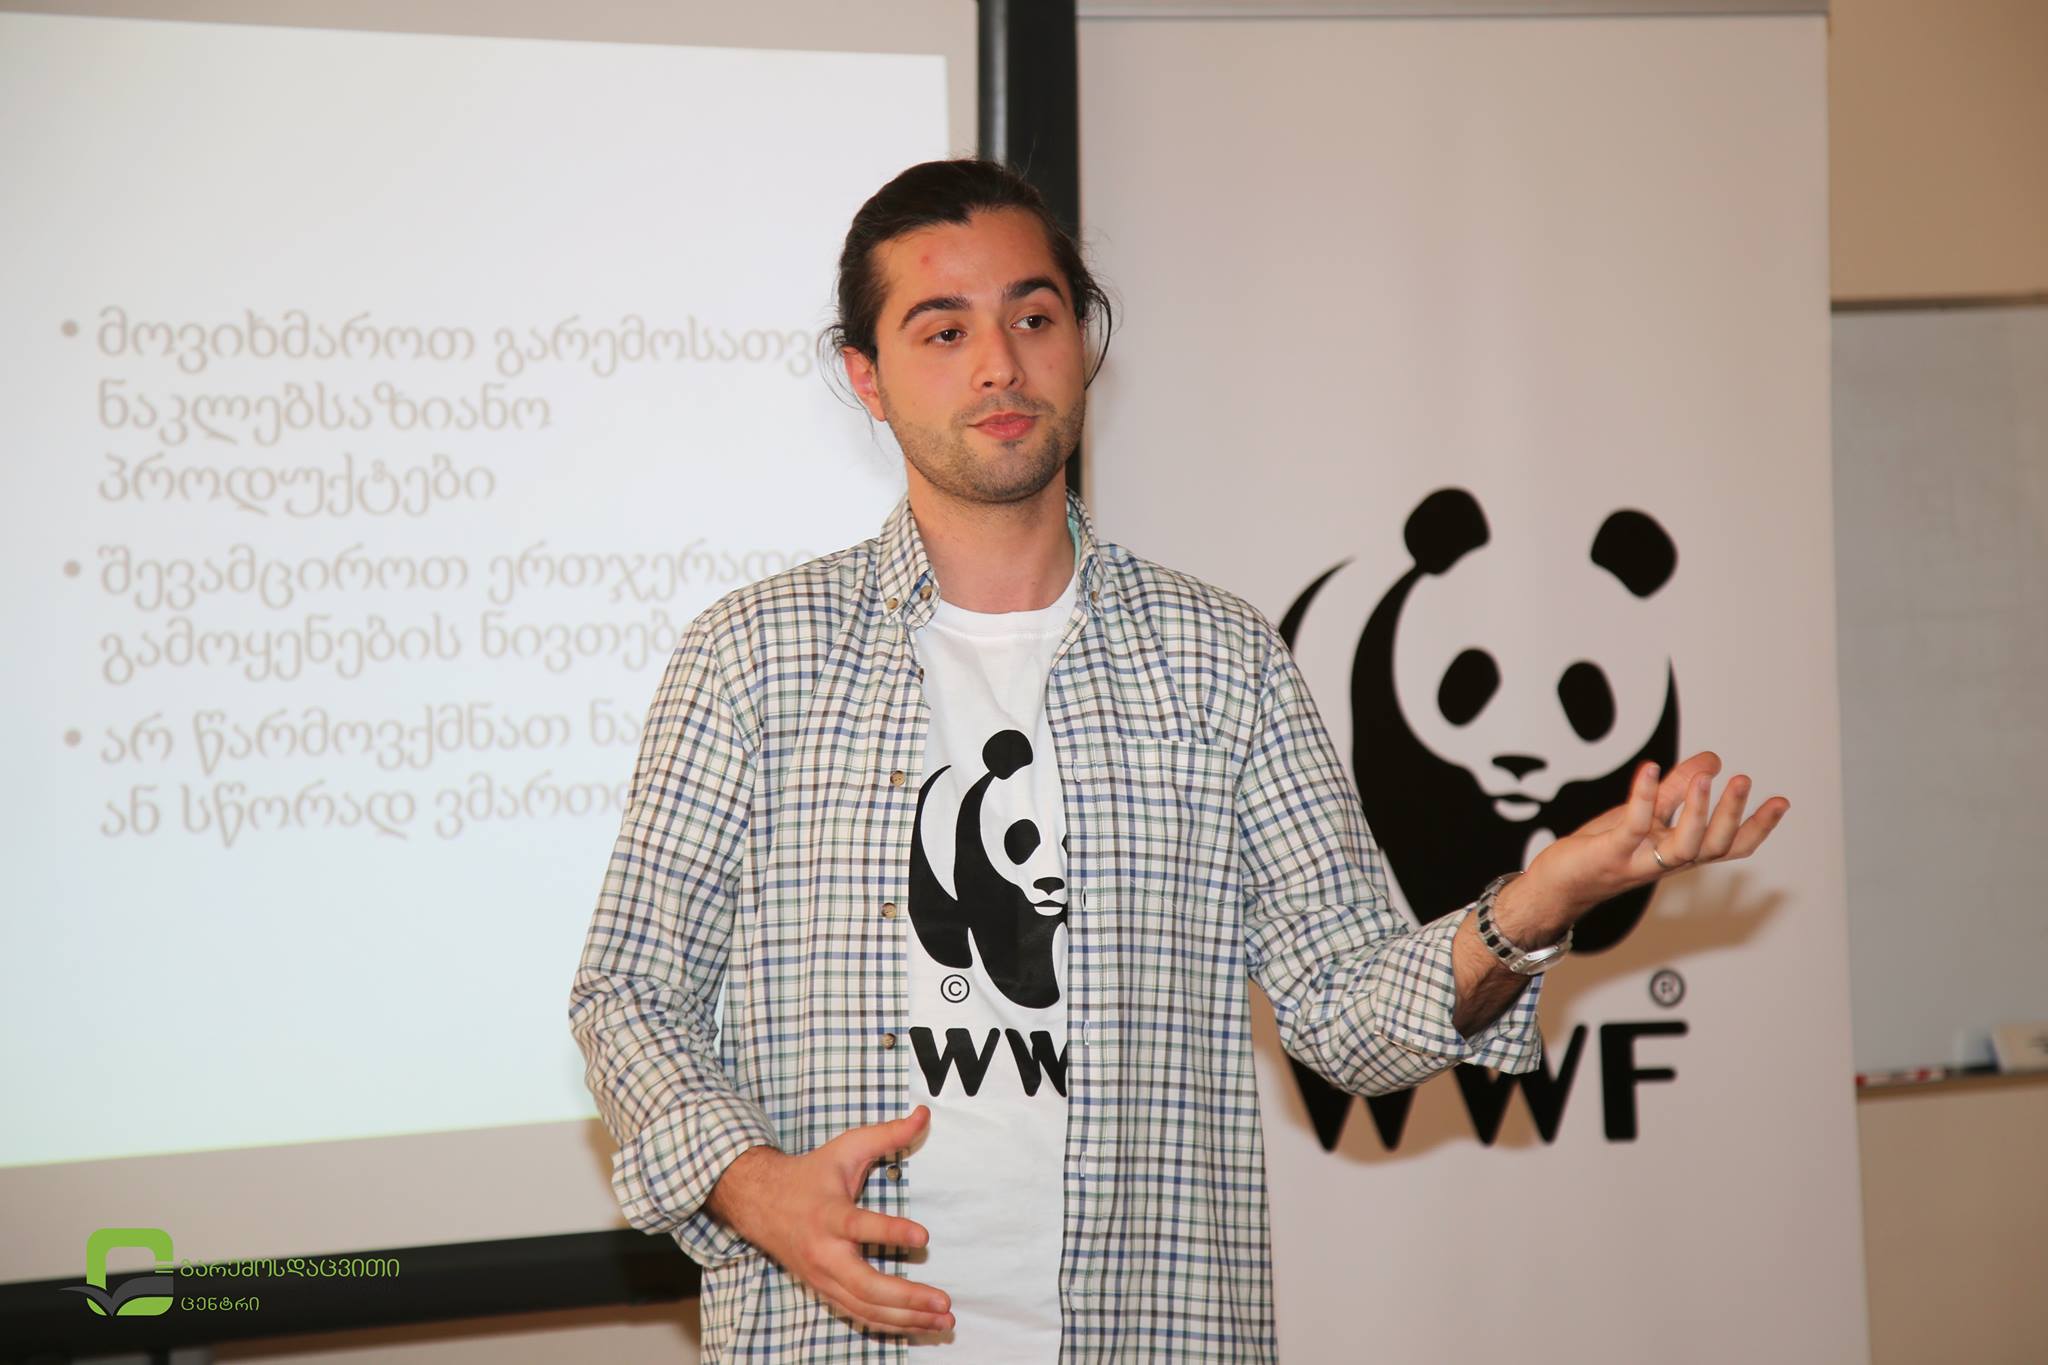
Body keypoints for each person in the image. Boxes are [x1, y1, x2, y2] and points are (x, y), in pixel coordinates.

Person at [567, 158, 1788, 1362]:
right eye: (942, 332)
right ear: (864, 378)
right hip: (831, 1340)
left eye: (1032, 318)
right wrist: (749, 1184)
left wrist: (1539, 900)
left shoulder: (1218, 658)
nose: (998, 365)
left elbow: (1347, 1012)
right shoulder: (753, 658)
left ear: (1083, 341)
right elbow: (625, 990)